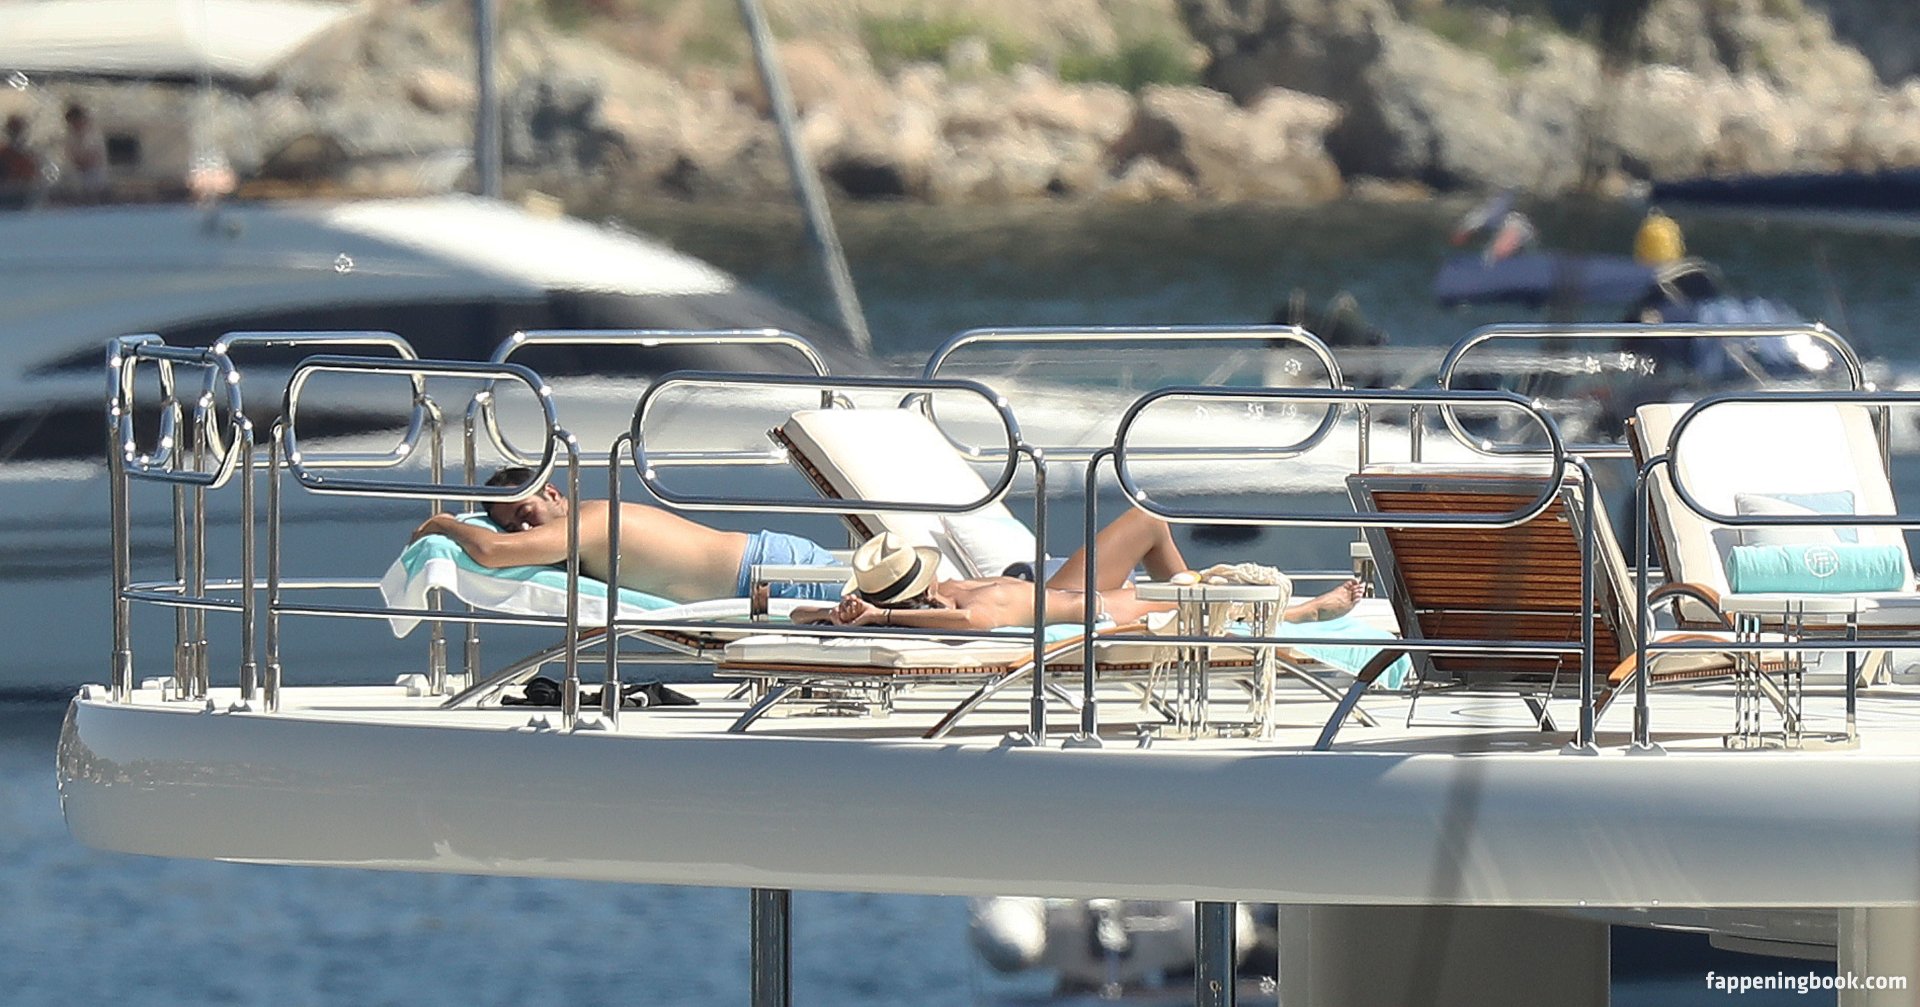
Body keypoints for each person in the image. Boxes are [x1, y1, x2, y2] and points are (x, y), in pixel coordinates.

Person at [795, 508, 1365, 632]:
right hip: (1098, 610)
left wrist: (837, 612)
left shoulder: (943, 590)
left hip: (1061, 588)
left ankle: (1191, 585)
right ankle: (1300, 613)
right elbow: (971, 624)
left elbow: (798, 614)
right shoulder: (966, 610)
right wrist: (880, 618)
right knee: (1209, 595)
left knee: (1147, 523)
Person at [409, 467, 844, 603]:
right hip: (767, 572)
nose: (523, 530)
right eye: (512, 526)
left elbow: (491, 552)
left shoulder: (588, 522)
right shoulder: (582, 526)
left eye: (526, 513)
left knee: (884, 617)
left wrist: (443, 523)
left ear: (553, 493)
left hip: (775, 575)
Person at [61, 103, 107, 199]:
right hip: (77, 178)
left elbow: (95, 157)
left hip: (95, 177)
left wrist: (83, 161)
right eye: (71, 123)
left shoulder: (93, 135)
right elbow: (70, 155)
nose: (74, 125)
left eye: (76, 121)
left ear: (81, 120)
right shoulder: (70, 137)